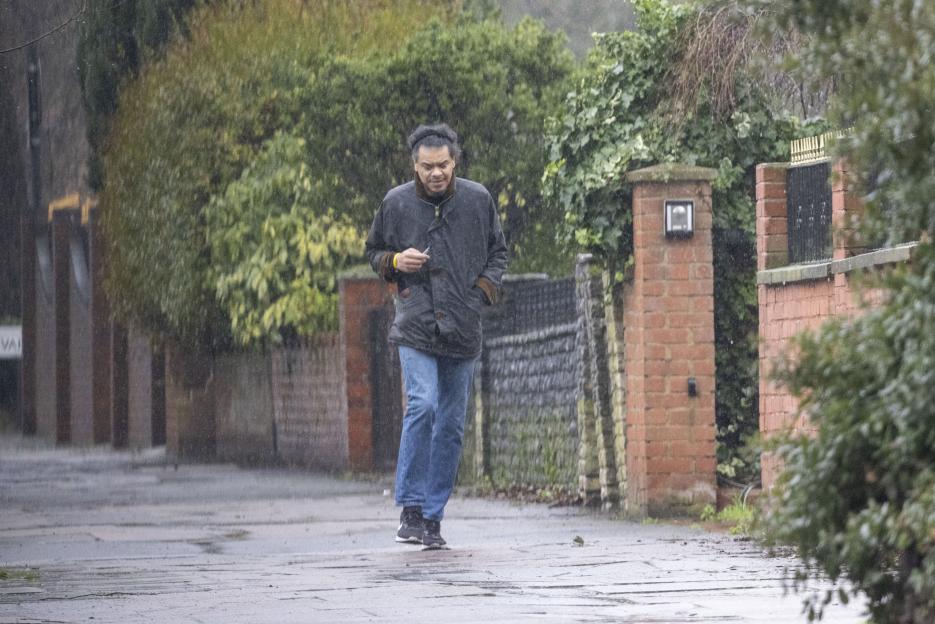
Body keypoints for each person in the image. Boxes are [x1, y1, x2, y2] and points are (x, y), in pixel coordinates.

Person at [365, 123, 508, 548]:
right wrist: (394, 260)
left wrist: (480, 293)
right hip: (415, 323)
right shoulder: (396, 203)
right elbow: (373, 252)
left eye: (442, 165)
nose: (435, 173)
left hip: (463, 326)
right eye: (427, 167)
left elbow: (498, 252)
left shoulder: (479, 200)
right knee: (423, 403)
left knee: (450, 424)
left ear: (454, 162)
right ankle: (409, 506)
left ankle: (432, 517)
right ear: (415, 165)